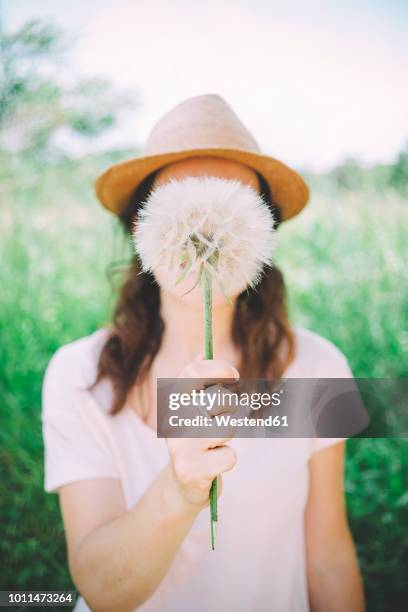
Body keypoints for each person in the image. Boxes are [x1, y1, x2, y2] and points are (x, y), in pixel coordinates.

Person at [42, 94, 365, 611]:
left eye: (233, 207)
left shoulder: (318, 368)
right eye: (185, 205)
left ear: (264, 235)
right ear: (140, 230)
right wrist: (180, 488)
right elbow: (100, 589)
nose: (208, 229)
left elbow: (327, 555)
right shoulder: (78, 375)